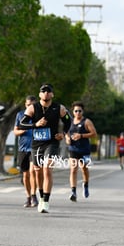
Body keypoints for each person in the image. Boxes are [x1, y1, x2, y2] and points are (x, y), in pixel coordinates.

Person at [19, 83, 71, 213]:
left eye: (48, 91)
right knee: (38, 171)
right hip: (36, 144)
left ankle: (46, 201)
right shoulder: (32, 108)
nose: (46, 93)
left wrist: (63, 134)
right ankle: (41, 197)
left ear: (52, 94)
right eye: (43, 91)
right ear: (39, 94)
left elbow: (68, 121)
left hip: (52, 142)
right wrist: (35, 124)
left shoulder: (59, 108)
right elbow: (22, 123)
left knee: (47, 168)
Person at [65, 101, 97, 202]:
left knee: (84, 169)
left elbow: (94, 133)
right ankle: (73, 192)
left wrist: (81, 136)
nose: (78, 113)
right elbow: (66, 132)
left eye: (80, 111)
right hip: (73, 149)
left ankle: (86, 184)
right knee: (73, 169)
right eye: (76, 111)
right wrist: (67, 138)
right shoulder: (69, 121)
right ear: (73, 112)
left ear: (83, 111)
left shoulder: (86, 122)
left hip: (84, 149)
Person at [13, 95, 40, 208]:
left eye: (32, 105)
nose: (30, 107)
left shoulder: (39, 115)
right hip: (23, 148)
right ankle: (28, 197)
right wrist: (22, 131)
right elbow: (15, 131)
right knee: (25, 175)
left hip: (35, 147)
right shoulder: (20, 115)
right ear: (25, 105)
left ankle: (34, 196)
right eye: (28, 105)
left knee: (33, 171)